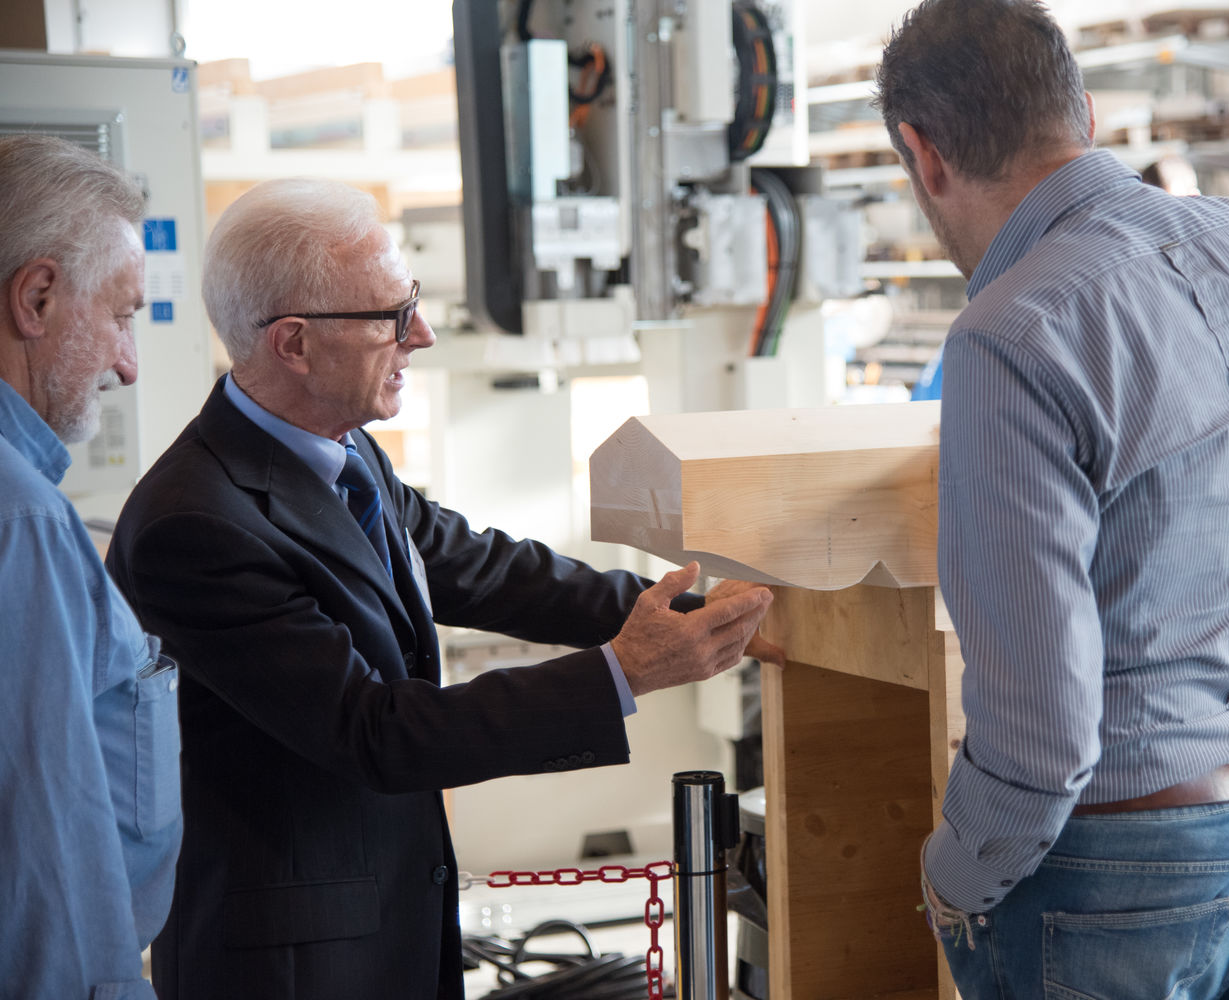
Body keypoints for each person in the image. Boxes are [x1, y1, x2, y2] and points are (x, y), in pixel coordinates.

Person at [104, 178, 779, 1000]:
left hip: (387, 929)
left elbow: (483, 567)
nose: (419, 334)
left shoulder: (343, 451)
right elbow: (375, 732)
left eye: (412, 302)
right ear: (292, 343)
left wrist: (688, 611)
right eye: (390, 316)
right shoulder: (195, 526)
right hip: (294, 966)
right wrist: (623, 671)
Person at [873, 2, 1229, 997]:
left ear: (923, 154)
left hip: (1110, 869)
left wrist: (952, 876)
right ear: (1080, 112)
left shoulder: (1006, 333)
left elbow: (1042, 727)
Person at [0, 134, 181, 997]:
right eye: (121, 314)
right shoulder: (22, 519)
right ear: (35, 297)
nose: (127, 363)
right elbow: (50, 861)